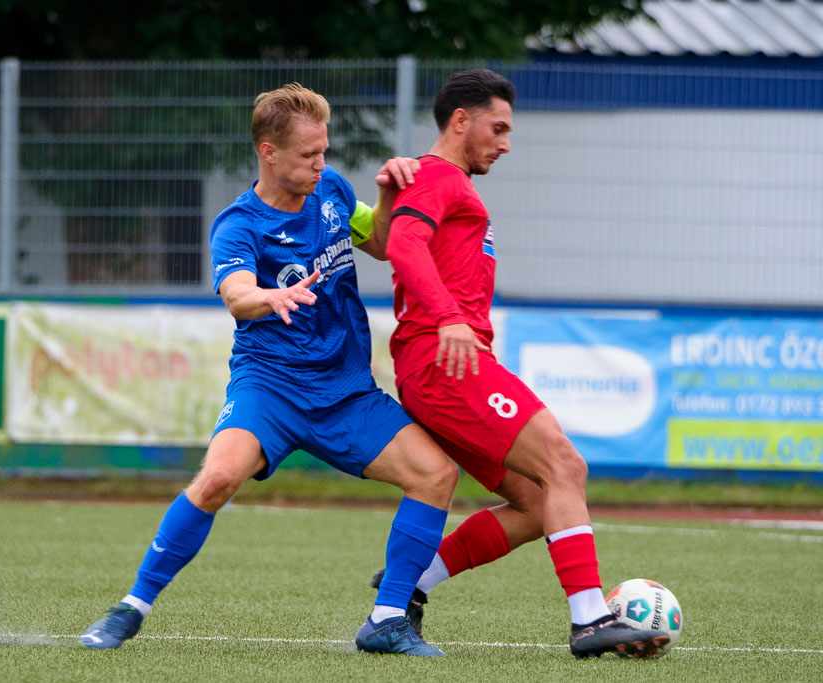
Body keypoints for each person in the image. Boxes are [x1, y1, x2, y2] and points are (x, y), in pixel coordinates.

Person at [79, 83, 459, 657]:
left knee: (436, 475)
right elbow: (235, 295)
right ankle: (130, 607)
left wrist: (384, 197)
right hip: (271, 386)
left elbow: (379, 242)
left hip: (345, 390)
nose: (321, 163)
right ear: (268, 151)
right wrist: (268, 298)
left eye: (324, 150)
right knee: (216, 479)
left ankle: (387, 619)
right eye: (308, 154)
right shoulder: (238, 225)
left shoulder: (331, 190)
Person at [372, 69, 670, 659]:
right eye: (498, 127)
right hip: (444, 359)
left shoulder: (451, 185)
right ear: (462, 120)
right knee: (565, 463)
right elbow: (401, 245)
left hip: (444, 361)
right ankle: (589, 619)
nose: (506, 143)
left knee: (540, 500)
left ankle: (407, 589)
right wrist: (449, 317)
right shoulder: (437, 176)